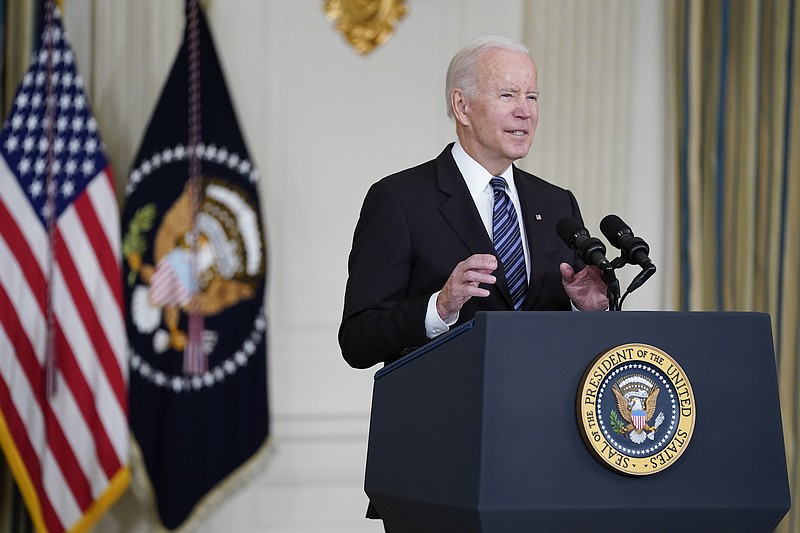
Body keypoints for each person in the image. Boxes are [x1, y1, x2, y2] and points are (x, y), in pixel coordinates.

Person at [339, 35, 608, 374]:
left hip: (540, 413)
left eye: (532, 97)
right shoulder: (399, 200)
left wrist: (591, 311)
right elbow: (357, 340)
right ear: (462, 106)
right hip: (446, 416)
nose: (525, 111)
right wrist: (440, 306)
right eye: (507, 95)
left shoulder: (557, 203)